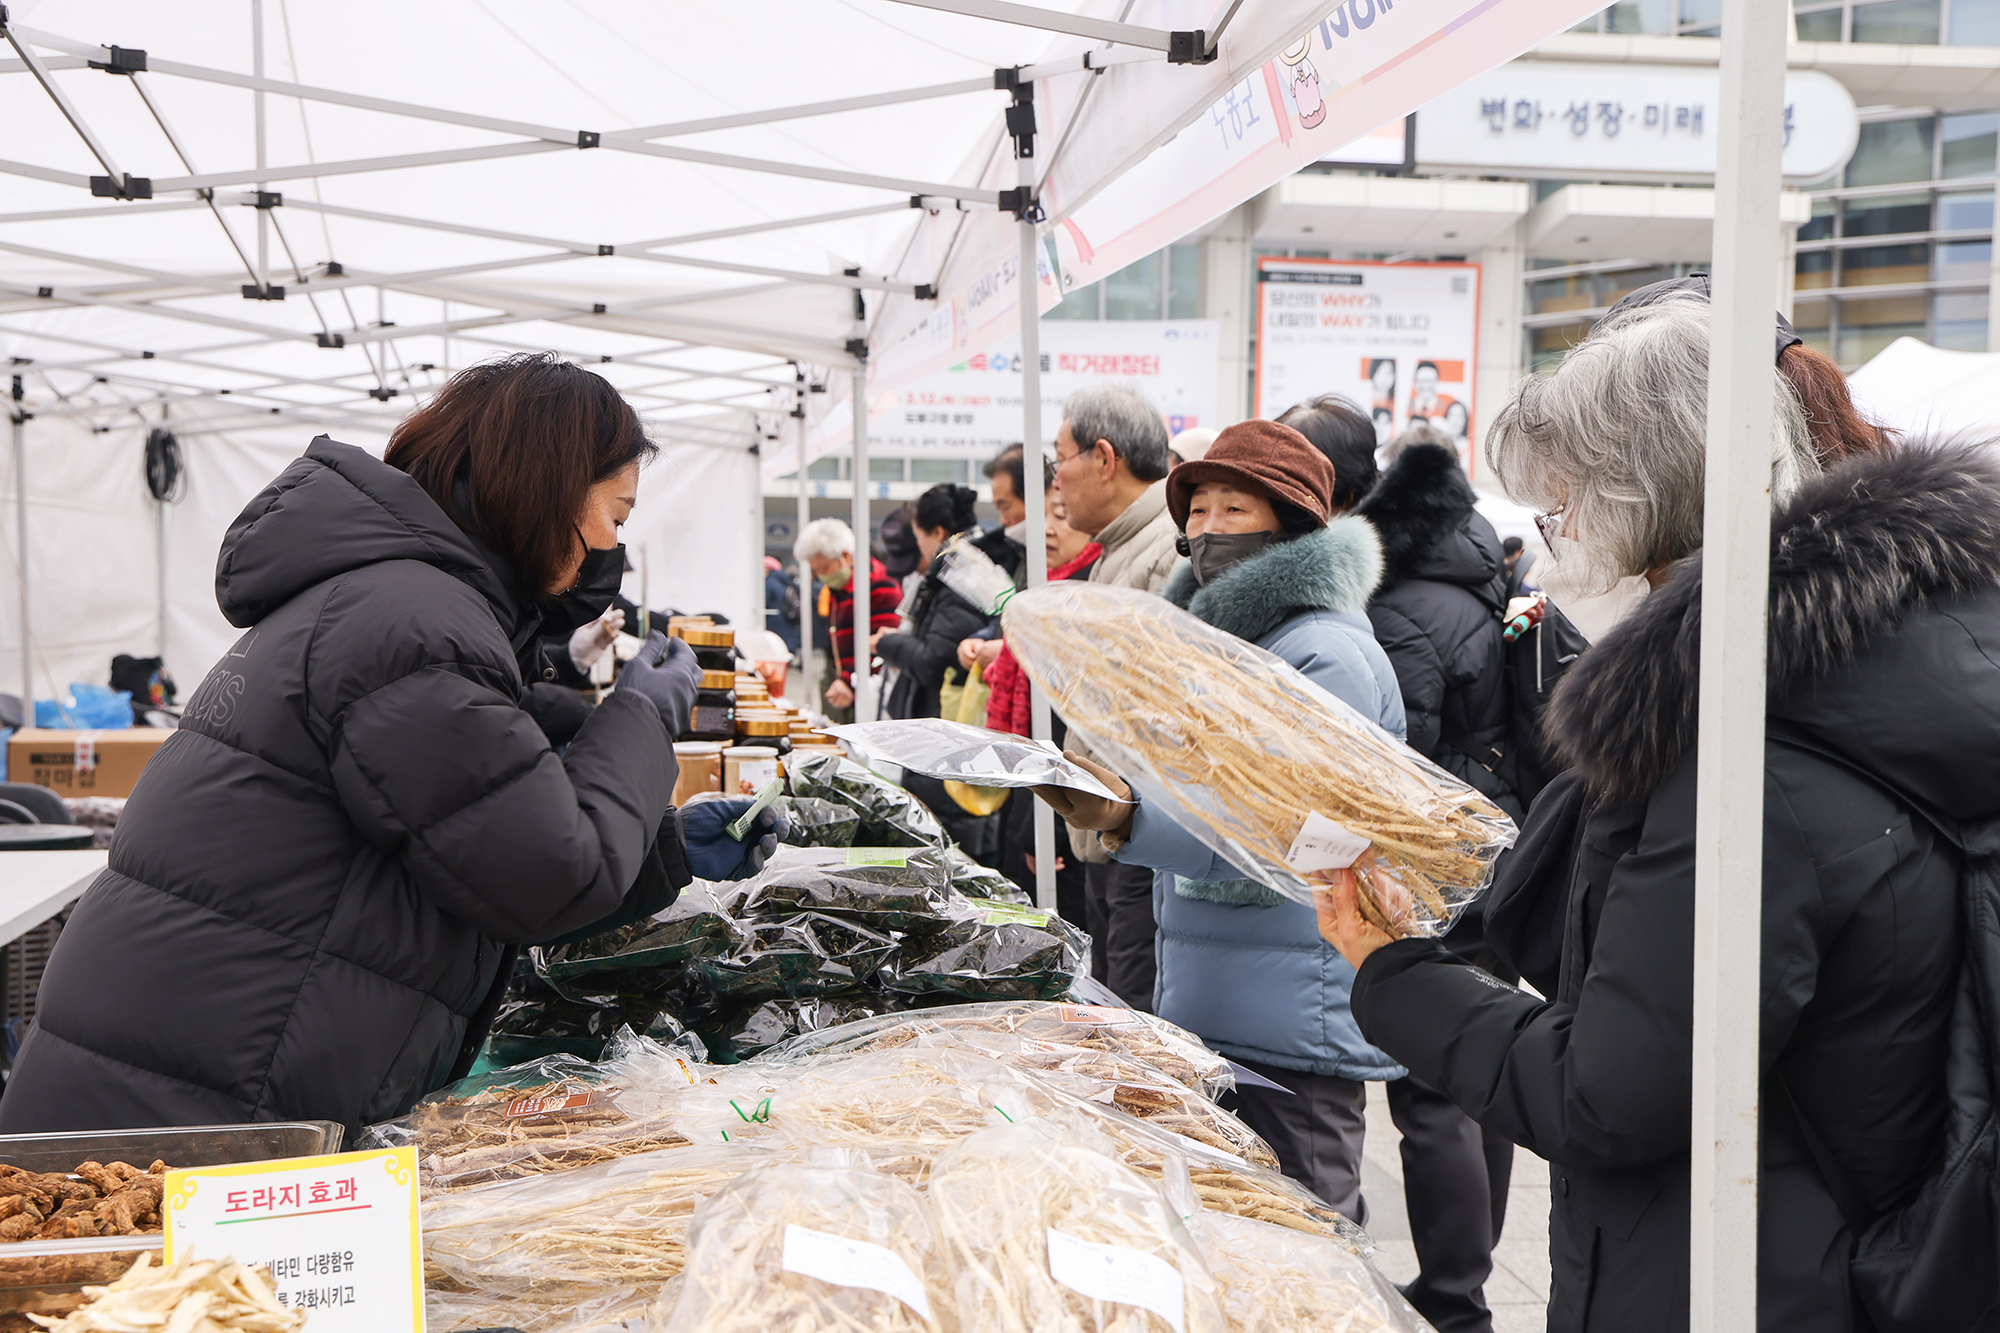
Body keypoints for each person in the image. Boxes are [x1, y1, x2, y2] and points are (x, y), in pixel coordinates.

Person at [1317, 291, 1998, 1332]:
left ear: (1646, 501)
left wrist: (1391, 974)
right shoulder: (1881, 665)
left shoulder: (1738, 760)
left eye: (1565, 505)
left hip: (1736, 1274)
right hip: (1849, 1241)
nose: (1551, 544)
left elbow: (1606, 1095)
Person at [0, 354, 785, 1137]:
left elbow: (469, 861)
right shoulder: (412, 626)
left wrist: (669, 849)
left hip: (199, 1084)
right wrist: (642, 716)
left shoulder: (398, 601)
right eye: (615, 517)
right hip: (182, 1111)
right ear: (544, 489)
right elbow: (546, 872)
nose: (613, 549)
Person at [1039, 419, 1407, 1223]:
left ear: (1293, 521)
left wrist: (1131, 814)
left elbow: (1300, 830)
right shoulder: (1231, 644)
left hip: (1292, 1020)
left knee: (1309, 1244)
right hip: (1215, 1003)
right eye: (1196, 511)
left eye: (1232, 511)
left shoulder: (1324, 651)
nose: (1205, 532)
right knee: (1236, 1248)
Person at [1350, 416, 1520, 1333]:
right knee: (1484, 1061)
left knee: (1429, 1084)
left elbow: (1401, 749)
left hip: (1436, 856)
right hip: (1501, 845)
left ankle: (1455, 1291)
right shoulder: (1483, 575)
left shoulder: (1400, 604)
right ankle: (1473, 1269)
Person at [1051, 383, 1183, 1010]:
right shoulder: (1122, 548)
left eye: (1060, 462)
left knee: (1130, 1015)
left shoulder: (1165, 550)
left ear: (1104, 459)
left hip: (1144, 833)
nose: (1057, 484)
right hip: (1109, 832)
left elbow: (1161, 707)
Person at [984, 479, 1100, 926]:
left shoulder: (1083, 599)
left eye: (1060, 513)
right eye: (1045, 514)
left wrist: (1045, 829)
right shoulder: (1042, 592)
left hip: (1064, 814)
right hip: (1032, 800)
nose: (1048, 528)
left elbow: (1064, 729)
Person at [874, 483, 997, 856]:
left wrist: (887, 642)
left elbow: (932, 659)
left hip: (948, 740)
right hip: (944, 740)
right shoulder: (964, 574)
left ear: (938, 533)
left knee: (948, 853)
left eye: (918, 536)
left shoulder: (961, 581)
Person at [793, 517, 898, 723]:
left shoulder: (878, 585)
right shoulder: (837, 588)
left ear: (846, 557)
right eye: (816, 570)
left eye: (823, 568)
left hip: (868, 687)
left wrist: (848, 679)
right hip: (842, 679)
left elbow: (882, 645)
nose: (820, 575)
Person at [763, 555, 800, 655]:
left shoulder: (770, 582)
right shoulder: (782, 581)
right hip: (786, 622)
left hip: (775, 622)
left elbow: (766, 601)